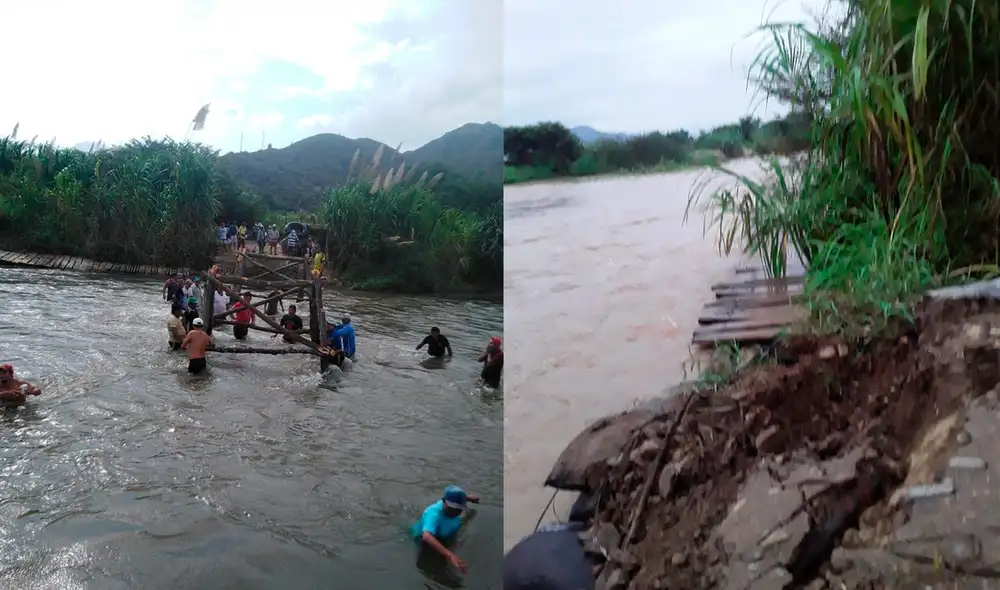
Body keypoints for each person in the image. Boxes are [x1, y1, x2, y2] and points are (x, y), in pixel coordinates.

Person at [412, 485, 481, 574]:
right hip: (425, 540)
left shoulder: (455, 508)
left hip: (446, 533)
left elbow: (456, 499)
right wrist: (450, 555)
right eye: (453, 508)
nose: (456, 512)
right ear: (444, 502)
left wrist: (467, 498)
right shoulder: (433, 513)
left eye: (459, 509)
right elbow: (427, 536)